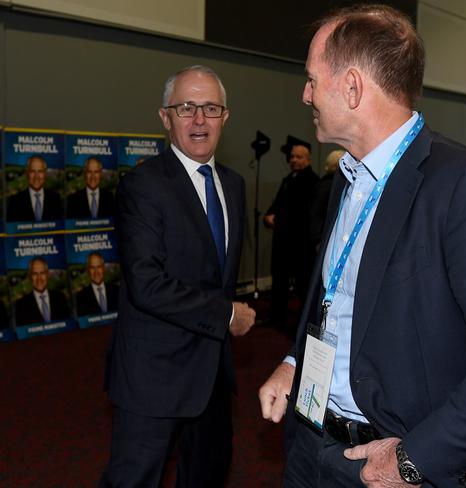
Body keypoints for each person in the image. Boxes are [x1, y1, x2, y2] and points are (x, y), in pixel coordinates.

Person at [259, 6, 466, 488]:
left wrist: (413, 460)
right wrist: (296, 363)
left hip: (396, 468)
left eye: (312, 80)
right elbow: (336, 299)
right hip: (313, 443)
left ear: (353, 87)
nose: (305, 94)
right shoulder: (347, 179)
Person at [100, 65, 256, 487]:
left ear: (226, 116)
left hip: (213, 380)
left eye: (210, 108)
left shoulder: (235, 185)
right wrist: (226, 315)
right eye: (187, 107)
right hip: (154, 376)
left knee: (207, 476)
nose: (200, 120)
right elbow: (147, 283)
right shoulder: (143, 186)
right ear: (165, 117)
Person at [263, 139, 319, 326]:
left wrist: (279, 219)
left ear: (308, 159)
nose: (294, 160)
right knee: (279, 280)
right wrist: (269, 215)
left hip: (300, 243)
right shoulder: (288, 180)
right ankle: (276, 317)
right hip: (282, 240)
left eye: (299, 157)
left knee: (303, 285)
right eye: (292, 156)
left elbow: (306, 213)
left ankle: (303, 325)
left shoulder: (313, 182)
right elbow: (278, 204)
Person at [14, 257, 70, 326]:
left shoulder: (60, 298)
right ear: (30, 276)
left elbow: (68, 326)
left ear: (47, 275)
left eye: (42, 273)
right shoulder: (20, 305)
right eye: (35, 274)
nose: (39, 278)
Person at [6, 155, 63, 222]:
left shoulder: (55, 199)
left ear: (45, 174)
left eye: (40, 171)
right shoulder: (15, 201)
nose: (36, 176)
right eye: (32, 171)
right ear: (27, 173)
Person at [310, 149, 345, 249]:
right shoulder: (329, 185)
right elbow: (316, 213)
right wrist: (318, 239)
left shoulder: (325, 183)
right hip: (323, 239)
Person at [75, 252, 118, 317]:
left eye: (99, 267)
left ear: (103, 268)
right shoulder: (81, 297)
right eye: (92, 268)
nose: (96, 272)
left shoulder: (116, 290)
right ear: (88, 270)